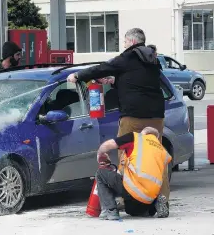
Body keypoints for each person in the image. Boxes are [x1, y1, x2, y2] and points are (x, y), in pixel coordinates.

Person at [66, 28, 170, 206]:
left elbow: (102, 68)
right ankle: (162, 199)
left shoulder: (128, 57)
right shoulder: (153, 59)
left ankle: (127, 198)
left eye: (124, 41)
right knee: (155, 157)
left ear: (131, 41)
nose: (123, 45)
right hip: (156, 117)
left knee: (126, 155)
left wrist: (78, 75)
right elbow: (139, 81)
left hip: (133, 117)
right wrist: (115, 81)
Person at [95, 127, 171, 220]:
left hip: (133, 190)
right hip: (150, 197)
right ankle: (155, 204)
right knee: (132, 211)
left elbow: (108, 145)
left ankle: (110, 210)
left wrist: (100, 154)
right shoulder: (161, 150)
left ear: (143, 133)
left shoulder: (136, 138)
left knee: (101, 173)